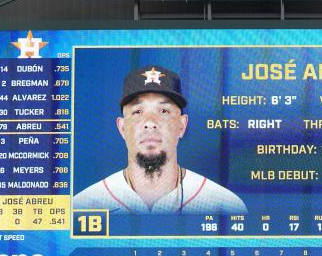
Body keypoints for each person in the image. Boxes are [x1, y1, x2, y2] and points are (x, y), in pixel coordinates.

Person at [73, 64, 247, 215]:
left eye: (164, 111)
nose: (150, 122)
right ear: (122, 128)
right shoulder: (82, 206)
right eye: (138, 112)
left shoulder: (225, 206)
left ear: (182, 125)